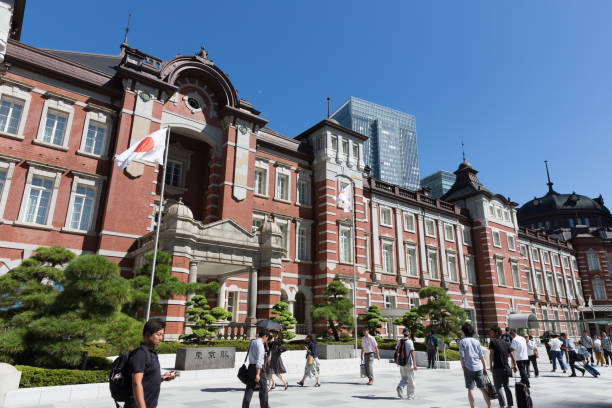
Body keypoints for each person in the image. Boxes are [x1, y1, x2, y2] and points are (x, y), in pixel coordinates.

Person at [126, 318, 176, 408]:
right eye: (158, 334)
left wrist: (162, 378)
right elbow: (136, 383)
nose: (161, 338)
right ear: (147, 334)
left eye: (162, 335)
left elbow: (147, 378)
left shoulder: (151, 353)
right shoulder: (140, 354)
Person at [459, 323, 491, 408]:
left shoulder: (462, 342)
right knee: (483, 388)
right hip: (479, 367)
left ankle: (472, 407)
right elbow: (482, 357)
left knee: (471, 389)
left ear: (464, 331)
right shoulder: (476, 341)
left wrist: (463, 367)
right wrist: (485, 368)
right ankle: (489, 406)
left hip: (468, 367)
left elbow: (461, 357)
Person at [489, 326, 515, 408]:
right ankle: (510, 405)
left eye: (491, 332)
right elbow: (512, 355)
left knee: (498, 387)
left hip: (497, 368)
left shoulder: (493, 342)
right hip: (506, 368)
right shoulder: (506, 343)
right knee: (506, 386)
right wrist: (514, 365)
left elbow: (491, 355)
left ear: (496, 333)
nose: (490, 333)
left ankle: (502, 406)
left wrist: (490, 365)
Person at [242, 329, 270, 408]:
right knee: (263, 390)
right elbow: (259, 360)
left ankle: (245, 406)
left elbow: (252, 355)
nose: (266, 340)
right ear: (265, 336)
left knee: (249, 388)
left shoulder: (252, 342)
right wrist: (258, 374)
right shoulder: (260, 344)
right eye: (267, 338)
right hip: (259, 369)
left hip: (251, 367)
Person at [395, 328, 418, 400]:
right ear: (409, 334)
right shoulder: (410, 342)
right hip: (408, 364)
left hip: (401, 363)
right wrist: (415, 364)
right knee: (411, 380)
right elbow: (412, 354)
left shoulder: (399, 341)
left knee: (404, 378)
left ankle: (400, 387)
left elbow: (397, 352)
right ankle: (410, 396)